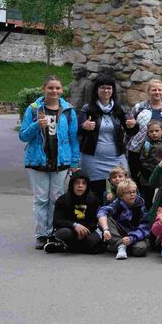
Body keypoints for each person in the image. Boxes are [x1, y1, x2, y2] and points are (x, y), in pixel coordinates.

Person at [20, 75, 80, 249]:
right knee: (41, 199)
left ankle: (54, 232)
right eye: (50, 88)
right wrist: (36, 126)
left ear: (62, 90)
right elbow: (23, 136)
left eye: (57, 88)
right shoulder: (33, 109)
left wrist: (74, 162)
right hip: (37, 161)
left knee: (57, 198)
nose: (54, 91)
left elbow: (73, 138)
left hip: (61, 161)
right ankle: (41, 234)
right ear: (43, 89)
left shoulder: (68, 110)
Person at [77, 75, 130, 199]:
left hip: (116, 158)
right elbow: (78, 131)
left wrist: (133, 125)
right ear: (96, 90)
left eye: (109, 88)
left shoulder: (119, 109)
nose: (106, 91)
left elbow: (130, 129)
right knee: (95, 193)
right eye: (102, 88)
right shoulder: (87, 109)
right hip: (93, 159)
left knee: (121, 191)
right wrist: (84, 126)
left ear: (113, 90)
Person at [126, 78, 162, 179]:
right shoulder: (139, 108)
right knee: (137, 179)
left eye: (159, 90)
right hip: (138, 151)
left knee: (160, 179)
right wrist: (131, 126)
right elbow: (129, 130)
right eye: (154, 90)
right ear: (148, 91)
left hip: (161, 152)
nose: (157, 92)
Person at [43, 171, 103, 254]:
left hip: (87, 230)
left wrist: (86, 230)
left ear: (87, 185)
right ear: (72, 185)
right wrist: (75, 225)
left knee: (94, 242)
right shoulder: (62, 200)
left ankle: (65, 247)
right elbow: (57, 221)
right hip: (70, 229)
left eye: (83, 183)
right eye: (77, 183)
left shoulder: (93, 199)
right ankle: (72, 246)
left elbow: (94, 221)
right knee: (64, 233)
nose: (80, 186)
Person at [97, 179, 149, 260]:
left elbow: (145, 226)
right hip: (120, 232)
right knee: (105, 219)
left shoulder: (140, 205)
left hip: (134, 234)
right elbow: (102, 211)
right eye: (129, 192)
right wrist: (106, 230)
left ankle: (116, 245)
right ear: (121, 195)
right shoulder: (117, 203)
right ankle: (120, 245)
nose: (132, 194)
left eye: (134, 192)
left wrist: (131, 238)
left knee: (140, 249)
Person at [135, 120, 162, 204]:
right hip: (147, 178)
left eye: (157, 131)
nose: (154, 133)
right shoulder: (146, 144)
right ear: (148, 133)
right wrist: (151, 173)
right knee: (149, 200)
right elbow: (142, 161)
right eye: (151, 131)